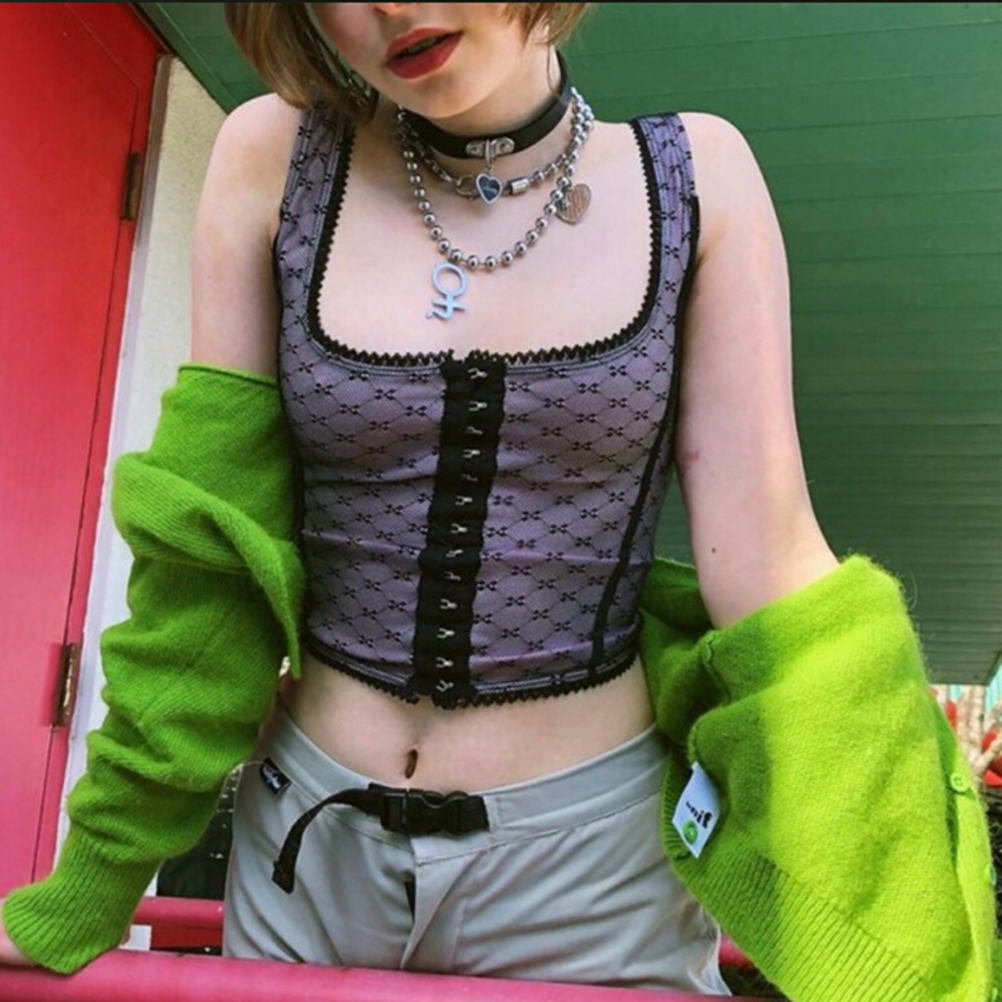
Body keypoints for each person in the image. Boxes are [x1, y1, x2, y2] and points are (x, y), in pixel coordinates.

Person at [10, 4, 989, 998]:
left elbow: (773, 574)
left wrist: (911, 965)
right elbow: (210, 563)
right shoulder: (274, 157)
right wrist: (95, 879)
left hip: (593, 875)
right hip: (309, 851)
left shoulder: (698, 178)